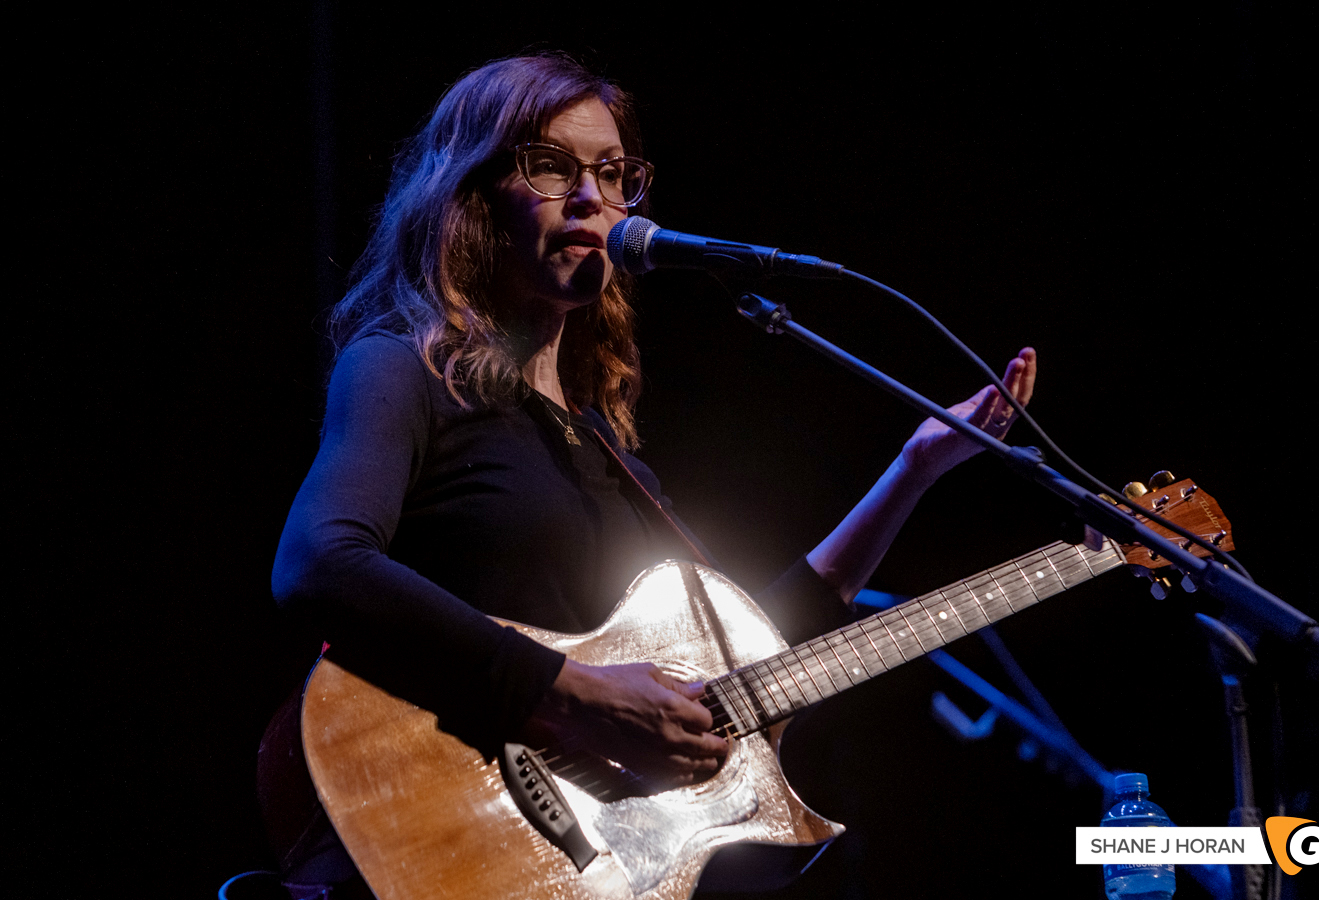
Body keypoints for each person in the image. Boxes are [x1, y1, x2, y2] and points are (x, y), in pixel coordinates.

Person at [267, 53, 1035, 897]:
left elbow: (749, 659)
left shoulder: (609, 455)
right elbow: (319, 562)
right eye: (552, 165)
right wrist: (573, 696)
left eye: (613, 172)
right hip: (438, 824)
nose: (593, 197)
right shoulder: (405, 371)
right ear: (471, 194)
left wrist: (916, 467)